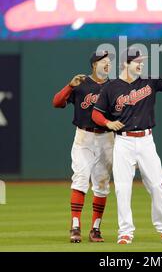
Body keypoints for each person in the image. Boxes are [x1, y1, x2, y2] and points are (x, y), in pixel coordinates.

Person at [91, 46, 162, 245]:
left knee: (156, 186)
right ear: (125, 64)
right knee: (122, 188)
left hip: (146, 140)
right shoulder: (110, 88)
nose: (141, 64)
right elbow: (96, 113)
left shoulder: (150, 81)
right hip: (124, 141)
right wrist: (108, 123)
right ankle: (125, 232)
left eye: (142, 61)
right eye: (137, 61)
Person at [52, 50, 115, 243]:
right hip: (84, 137)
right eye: (103, 61)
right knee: (80, 179)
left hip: (107, 138)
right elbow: (56, 102)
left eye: (109, 61)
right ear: (94, 65)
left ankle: (95, 229)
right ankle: (75, 226)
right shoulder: (81, 83)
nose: (107, 64)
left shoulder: (115, 87)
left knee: (102, 185)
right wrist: (69, 86)